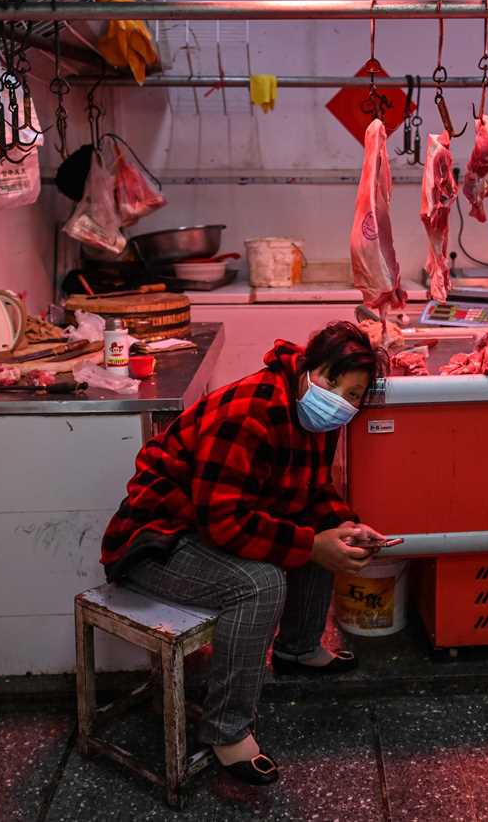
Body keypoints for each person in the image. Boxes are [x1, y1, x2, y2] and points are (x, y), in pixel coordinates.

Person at [99, 321, 391, 786]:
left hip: (207, 527)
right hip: (156, 540)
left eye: (354, 396)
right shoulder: (247, 414)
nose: (342, 401)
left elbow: (314, 490)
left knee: (324, 532)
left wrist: (343, 525)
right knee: (261, 584)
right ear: (311, 370)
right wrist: (312, 545)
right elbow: (224, 522)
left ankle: (298, 648)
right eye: (337, 385)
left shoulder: (314, 414)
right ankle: (227, 731)